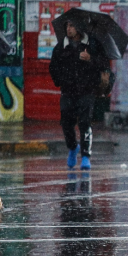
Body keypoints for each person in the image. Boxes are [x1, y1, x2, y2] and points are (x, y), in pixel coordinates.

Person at [49, 20, 107, 170]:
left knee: (84, 122)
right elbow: (53, 66)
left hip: (86, 91)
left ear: (79, 27)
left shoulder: (92, 45)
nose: (69, 29)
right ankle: (73, 147)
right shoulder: (62, 46)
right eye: (67, 26)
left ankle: (86, 156)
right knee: (66, 123)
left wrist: (90, 59)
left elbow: (103, 64)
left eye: (72, 25)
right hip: (68, 91)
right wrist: (60, 80)